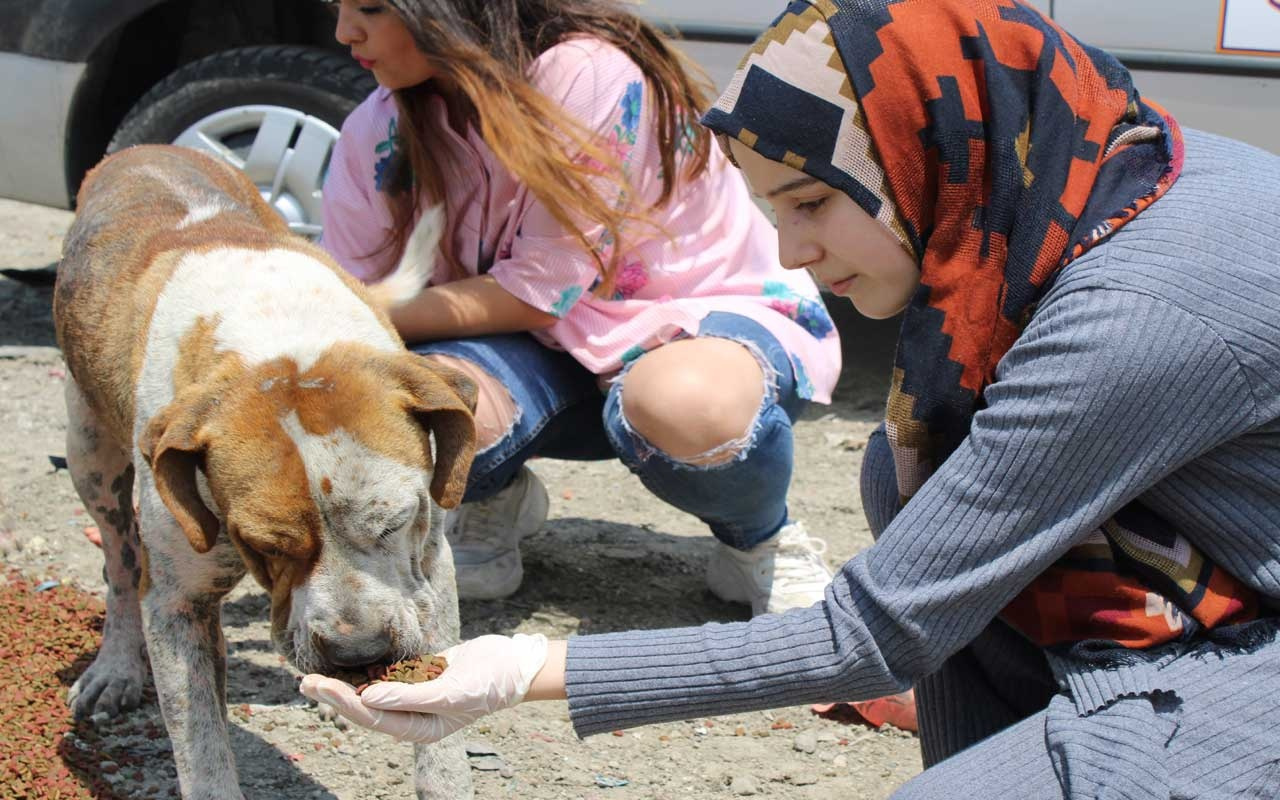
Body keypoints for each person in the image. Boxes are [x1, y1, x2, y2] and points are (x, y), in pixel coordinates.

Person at [303, 0, 1280, 795]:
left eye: (810, 202)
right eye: (770, 209)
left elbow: (866, 632)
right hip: (1208, 591)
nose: (786, 253)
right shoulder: (1096, 181)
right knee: (905, 480)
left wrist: (517, 671)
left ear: (925, 145)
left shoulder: (1126, 313)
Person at [318, 0, 843, 612]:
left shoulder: (585, 72)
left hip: (688, 323)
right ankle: (492, 495)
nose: (343, 32)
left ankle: (759, 540)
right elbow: (357, 297)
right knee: (396, 403)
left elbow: (540, 290)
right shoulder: (376, 128)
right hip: (528, 348)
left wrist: (362, 311)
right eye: (338, 7)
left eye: (371, 8)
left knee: (685, 404)